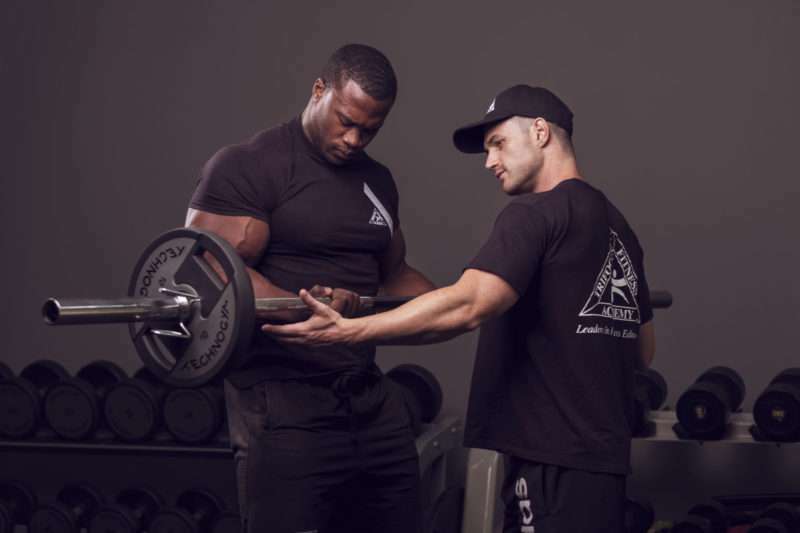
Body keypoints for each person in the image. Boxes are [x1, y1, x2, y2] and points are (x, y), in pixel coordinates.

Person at [265, 84, 657, 533]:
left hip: (549, 461)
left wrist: (348, 330)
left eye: (498, 143)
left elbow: (469, 303)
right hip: (603, 466)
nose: (490, 161)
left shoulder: (534, 214)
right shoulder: (616, 225)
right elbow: (642, 351)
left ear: (541, 132)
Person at [186, 44, 435, 533]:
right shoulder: (249, 165)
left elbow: (395, 274)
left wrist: (468, 302)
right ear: (319, 91)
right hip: (283, 400)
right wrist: (312, 309)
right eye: (346, 122)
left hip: (367, 397)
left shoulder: (377, 181)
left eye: (371, 129)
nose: (355, 139)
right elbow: (211, 267)